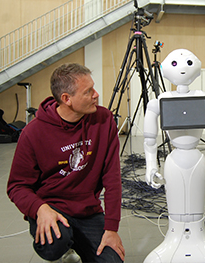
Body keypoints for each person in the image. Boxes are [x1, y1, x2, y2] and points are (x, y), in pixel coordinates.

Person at [7, 63, 125, 263]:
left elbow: (112, 177)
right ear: (67, 99)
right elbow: (16, 186)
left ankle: (79, 243)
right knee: (54, 246)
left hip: (88, 211)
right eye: (88, 92)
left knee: (112, 260)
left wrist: (111, 228)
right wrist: (39, 209)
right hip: (51, 208)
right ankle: (64, 248)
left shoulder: (104, 120)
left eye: (93, 88)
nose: (96, 95)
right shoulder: (33, 132)